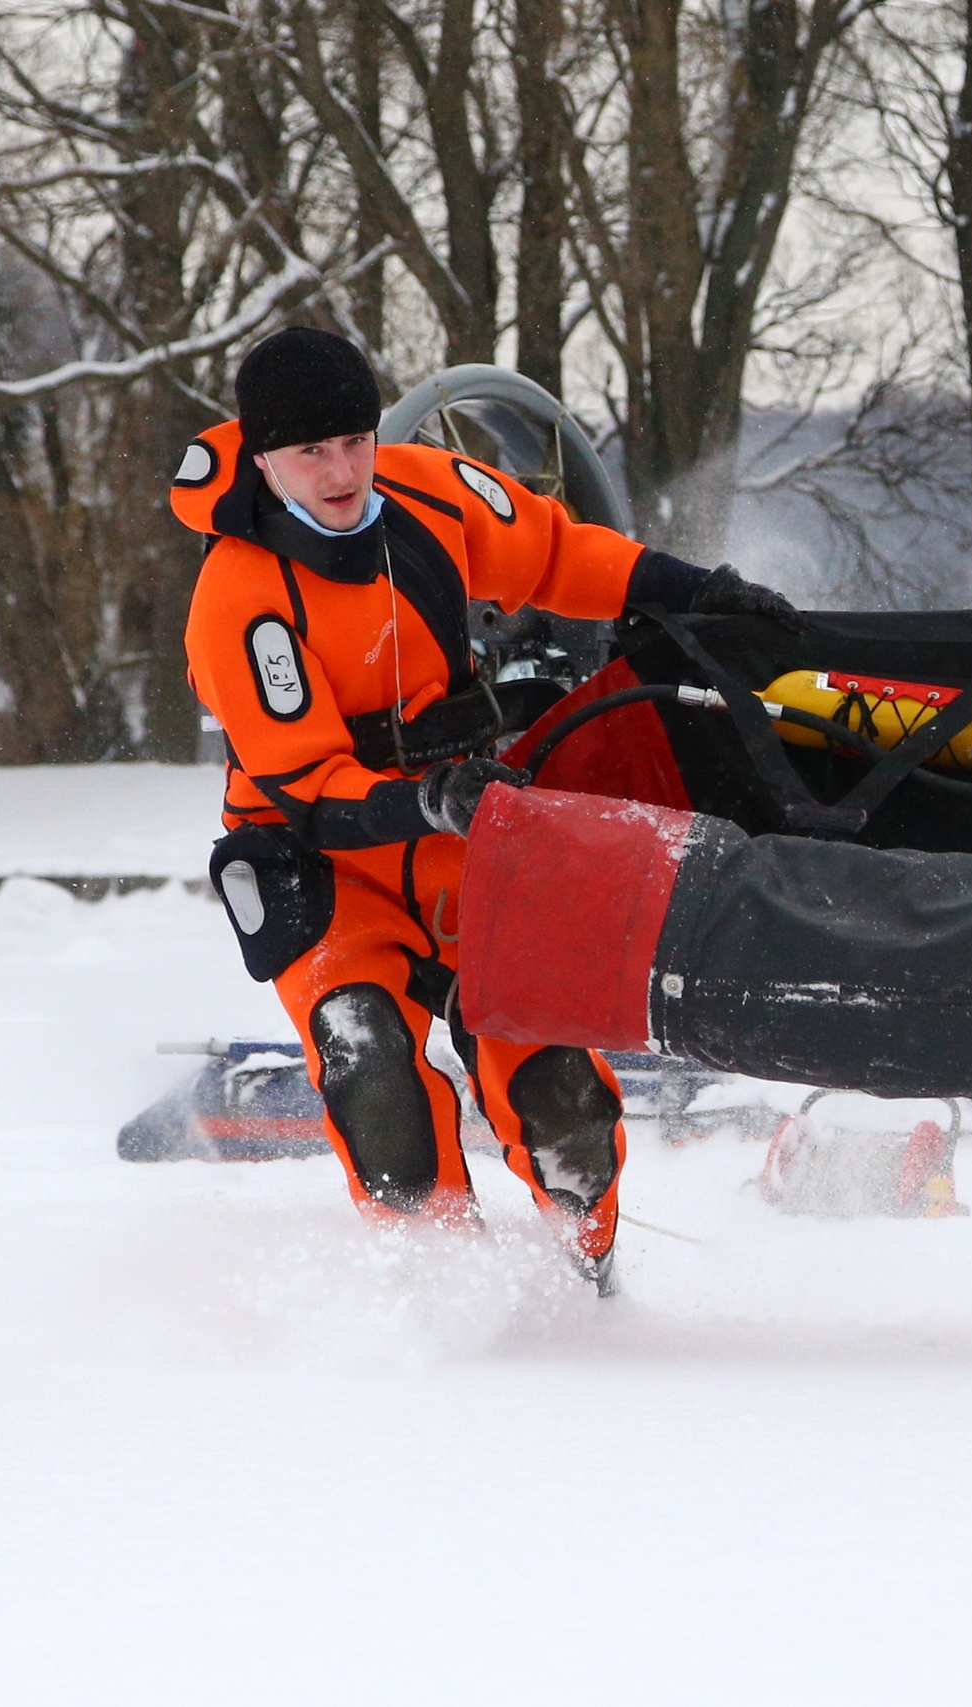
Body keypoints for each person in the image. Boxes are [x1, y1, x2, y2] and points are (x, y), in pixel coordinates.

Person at [176, 327, 802, 1291]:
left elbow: (560, 556)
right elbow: (307, 787)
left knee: (562, 1103)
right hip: (326, 861)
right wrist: (430, 795)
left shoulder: (433, 493)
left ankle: (584, 1280)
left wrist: (697, 594)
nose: (341, 470)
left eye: (354, 440)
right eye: (311, 452)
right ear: (263, 457)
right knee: (375, 1071)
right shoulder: (239, 598)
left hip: (465, 841)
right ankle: (440, 1298)